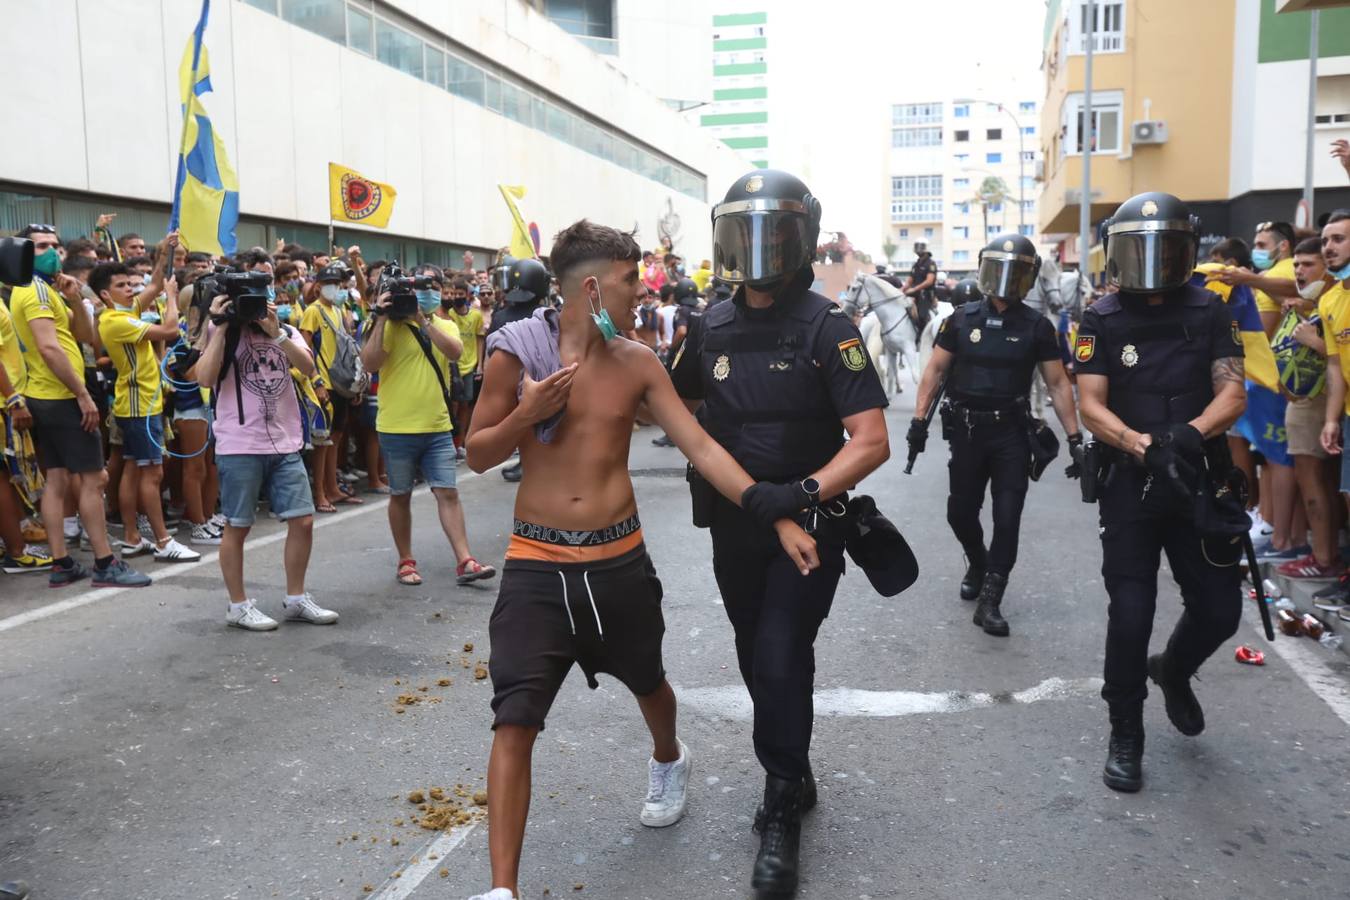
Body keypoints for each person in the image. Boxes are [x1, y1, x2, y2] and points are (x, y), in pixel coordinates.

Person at [464, 218, 818, 900]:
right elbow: (478, 452)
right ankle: (501, 891)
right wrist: (524, 413)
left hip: (617, 563)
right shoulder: (516, 353)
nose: (641, 294)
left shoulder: (636, 362)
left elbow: (703, 448)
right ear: (593, 288)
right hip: (536, 566)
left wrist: (773, 511)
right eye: (631, 283)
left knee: (649, 681)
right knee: (514, 719)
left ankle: (668, 757)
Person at [669, 170, 890, 896]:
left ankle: (782, 802)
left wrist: (796, 496)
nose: (759, 251)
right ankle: (792, 761)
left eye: (776, 235)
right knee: (752, 651)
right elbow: (677, 406)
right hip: (734, 529)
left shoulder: (831, 326)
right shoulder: (709, 326)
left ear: (801, 240)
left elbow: (870, 441)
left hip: (810, 528)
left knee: (781, 651)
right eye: (745, 234)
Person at [1075, 192, 1248, 794]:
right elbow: (1089, 403)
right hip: (1130, 481)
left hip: (1197, 475)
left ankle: (1174, 670)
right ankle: (1126, 729)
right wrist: (1141, 444)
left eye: (1163, 248)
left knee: (1221, 611)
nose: (1149, 263)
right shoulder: (1100, 317)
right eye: (1136, 249)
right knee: (1130, 612)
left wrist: (1185, 436)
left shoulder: (1210, 310)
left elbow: (1233, 393)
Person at [910, 234, 1082, 636]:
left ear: (1029, 278)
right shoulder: (961, 318)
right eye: (998, 269)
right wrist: (919, 422)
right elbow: (935, 371)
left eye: (1016, 272)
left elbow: (1057, 384)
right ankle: (977, 560)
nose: (1005, 281)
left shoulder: (1037, 327)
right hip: (968, 432)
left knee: (1008, 518)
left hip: (1011, 435)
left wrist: (1076, 439)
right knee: (960, 512)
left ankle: (991, 599)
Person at [9, 225, 150, 588]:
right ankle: (105, 562)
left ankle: (62, 563)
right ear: (23, 252)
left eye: (55, 245)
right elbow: (49, 347)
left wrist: (73, 300)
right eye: (41, 246)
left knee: (56, 480)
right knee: (92, 479)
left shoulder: (47, 289)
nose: (52, 252)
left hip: (49, 395)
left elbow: (86, 336)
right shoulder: (36, 292)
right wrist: (83, 395)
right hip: (59, 396)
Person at [194, 282, 338, 631]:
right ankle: (238, 605)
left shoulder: (285, 329)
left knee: (302, 519)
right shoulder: (220, 331)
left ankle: (296, 597)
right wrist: (222, 324)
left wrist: (277, 335)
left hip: (286, 441)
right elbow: (204, 376)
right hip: (240, 443)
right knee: (238, 526)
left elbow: (307, 366)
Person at [360, 272, 496, 587]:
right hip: (396, 427)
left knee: (448, 492)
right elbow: (369, 363)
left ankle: (465, 560)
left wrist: (422, 320)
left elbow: (455, 352)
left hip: (436, 425)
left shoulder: (442, 324)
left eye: (433, 290)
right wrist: (381, 317)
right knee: (400, 495)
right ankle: (405, 561)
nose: (427, 295)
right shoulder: (387, 326)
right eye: (420, 291)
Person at [90, 260, 200, 562]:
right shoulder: (115, 320)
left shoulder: (126, 312)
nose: (130, 289)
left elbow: (151, 286)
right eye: (121, 286)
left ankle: (132, 537)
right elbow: (167, 329)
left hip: (135, 404)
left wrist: (165, 252)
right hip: (140, 407)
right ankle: (164, 540)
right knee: (153, 474)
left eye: (129, 284)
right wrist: (173, 298)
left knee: (132, 470)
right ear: (104, 294)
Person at [1269, 237, 1340, 579]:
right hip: (1311, 404)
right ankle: (1324, 556)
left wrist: (1314, 341)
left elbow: (1338, 356)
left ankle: (1323, 560)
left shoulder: (1332, 301)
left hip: (1318, 404)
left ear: (1327, 270)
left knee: (1314, 483)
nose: (1299, 271)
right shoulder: (1308, 304)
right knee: (1323, 485)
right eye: (1296, 264)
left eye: (1308, 264)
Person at [300, 263, 360, 512]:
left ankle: (333, 488)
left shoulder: (339, 310)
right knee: (323, 442)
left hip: (341, 382)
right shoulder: (313, 311)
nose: (335, 288)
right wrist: (316, 382)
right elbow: (304, 349)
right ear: (318, 286)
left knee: (336, 438)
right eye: (330, 284)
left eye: (338, 284)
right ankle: (320, 493)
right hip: (323, 383)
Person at [1317, 212, 1350, 624]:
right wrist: (1330, 420)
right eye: (1326, 239)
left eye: (1339, 238)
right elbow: (1334, 367)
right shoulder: (1328, 300)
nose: (1329, 246)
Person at [490, 258, 550, 484]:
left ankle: (528, 460)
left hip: (506, 382)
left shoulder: (501, 315)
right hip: (538, 378)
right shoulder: (547, 315)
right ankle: (528, 461)